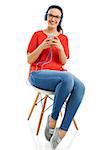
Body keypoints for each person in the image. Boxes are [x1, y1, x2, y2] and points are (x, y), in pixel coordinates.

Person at [27, 5, 85, 150]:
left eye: (56, 17)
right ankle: (52, 120)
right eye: (50, 15)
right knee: (67, 79)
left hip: (59, 75)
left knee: (80, 86)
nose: (53, 19)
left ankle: (62, 130)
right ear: (46, 16)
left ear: (60, 20)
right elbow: (29, 59)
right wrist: (41, 46)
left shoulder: (64, 38)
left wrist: (59, 47)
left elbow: (63, 61)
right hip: (38, 74)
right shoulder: (37, 35)